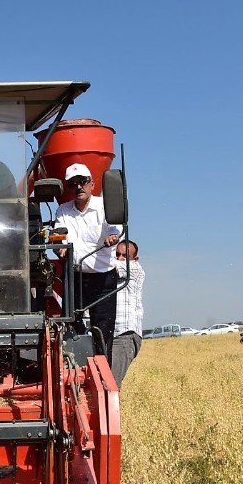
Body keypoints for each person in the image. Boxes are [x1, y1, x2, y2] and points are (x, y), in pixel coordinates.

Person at [54, 163, 122, 359]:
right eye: (72, 184)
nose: (78, 187)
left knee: (103, 332)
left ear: (92, 184)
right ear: (67, 188)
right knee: (72, 330)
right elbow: (60, 235)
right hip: (75, 279)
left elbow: (114, 229)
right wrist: (59, 246)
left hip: (104, 280)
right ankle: (76, 369)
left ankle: (102, 377)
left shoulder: (105, 206)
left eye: (82, 181)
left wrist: (112, 238)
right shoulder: (63, 211)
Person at [111, 240, 145, 385]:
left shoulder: (135, 269)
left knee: (110, 385)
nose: (120, 258)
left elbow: (108, 266)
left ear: (135, 259)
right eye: (117, 254)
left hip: (124, 334)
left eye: (125, 256)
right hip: (109, 334)